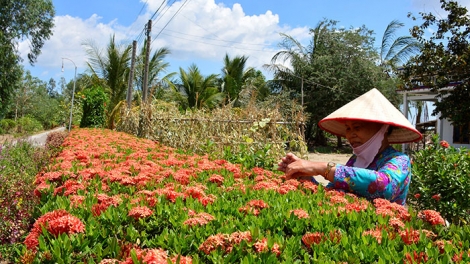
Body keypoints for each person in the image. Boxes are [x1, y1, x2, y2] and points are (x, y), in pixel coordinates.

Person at [278, 88, 422, 205]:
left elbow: (384, 186)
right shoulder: (355, 161)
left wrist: (321, 167)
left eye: (357, 127)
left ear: (382, 129)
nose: (350, 134)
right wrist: (305, 176)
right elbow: (331, 193)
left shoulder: (399, 160)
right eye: (348, 128)